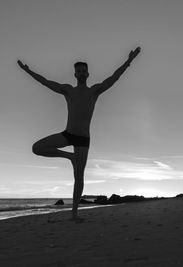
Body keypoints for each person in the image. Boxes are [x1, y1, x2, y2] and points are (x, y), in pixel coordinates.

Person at [17, 47, 141, 220]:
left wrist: (129, 61)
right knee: (37, 148)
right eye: (78, 71)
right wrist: (27, 70)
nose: (81, 73)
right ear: (75, 74)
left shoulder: (94, 91)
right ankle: (69, 157)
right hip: (68, 133)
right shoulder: (68, 90)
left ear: (88, 74)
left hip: (83, 139)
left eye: (84, 71)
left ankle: (74, 214)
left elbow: (114, 77)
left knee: (79, 177)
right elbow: (45, 82)